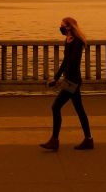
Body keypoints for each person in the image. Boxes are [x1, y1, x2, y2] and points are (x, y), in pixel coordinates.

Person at [39, 16, 93, 151]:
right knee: (79, 110)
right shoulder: (68, 40)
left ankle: (55, 141)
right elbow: (65, 62)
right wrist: (56, 78)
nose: (60, 27)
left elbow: (73, 62)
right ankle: (88, 140)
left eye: (62, 25)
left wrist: (65, 80)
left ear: (69, 27)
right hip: (70, 80)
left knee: (55, 107)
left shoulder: (77, 42)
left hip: (72, 81)